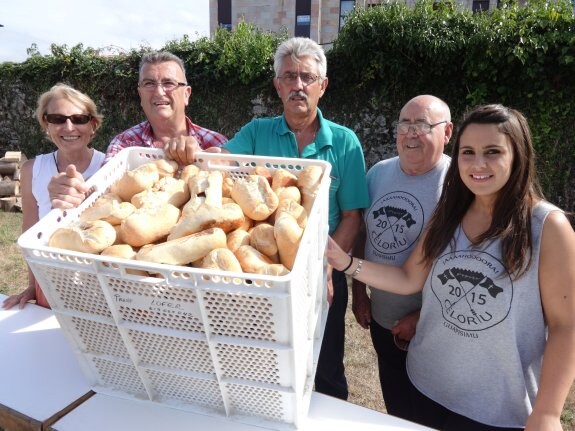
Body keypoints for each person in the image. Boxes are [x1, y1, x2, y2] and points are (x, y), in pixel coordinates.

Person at [326, 104, 575, 430]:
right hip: (425, 385)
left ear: (519, 156)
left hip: (496, 408)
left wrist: (547, 412)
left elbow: (565, 325)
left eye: (493, 152)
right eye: (468, 152)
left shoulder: (547, 227)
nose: (478, 163)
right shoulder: (449, 213)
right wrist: (344, 261)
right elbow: (407, 277)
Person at [220, 37, 370, 400]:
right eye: (289, 77)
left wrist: (327, 268)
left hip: (321, 278)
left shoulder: (345, 142)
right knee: (266, 365)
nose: (298, 85)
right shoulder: (257, 133)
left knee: (327, 368)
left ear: (323, 86)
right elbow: (220, 165)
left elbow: (352, 216)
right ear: (277, 85)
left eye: (307, 77)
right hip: (264, 274)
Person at [351, 95, 452, 420]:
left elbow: (467, 261)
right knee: (395, 404)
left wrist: (421, 316)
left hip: (436, 329)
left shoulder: (458, 183)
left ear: (447, 132)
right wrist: (358, 293)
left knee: (430, 413)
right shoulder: (379, 173)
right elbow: (363, 233)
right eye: (404, 124)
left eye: (421, 125)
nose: (410, 133)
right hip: (383, 319)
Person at [48, 51, 227, 209]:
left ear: (186, 94)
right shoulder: (124, 144)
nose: (159, 92)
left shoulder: (215, 143)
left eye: (168, 83)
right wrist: (74, 192)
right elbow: (105, 192)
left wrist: (201, 158)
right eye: (149, 84)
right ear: (140, 94)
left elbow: (229, 196)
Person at [2, 83, 106, 310]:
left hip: (101, 287)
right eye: (58, 119)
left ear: (93, 125)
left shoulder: (108, 167)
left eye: (79, 118)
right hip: (51, 284)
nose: (69, 127)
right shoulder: (32, 169)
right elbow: (30, 231)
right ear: (46, 125)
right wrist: (33, 283)